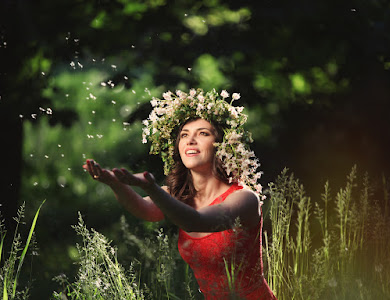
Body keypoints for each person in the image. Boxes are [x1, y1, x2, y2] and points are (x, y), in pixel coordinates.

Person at [83, 89, 277, 300]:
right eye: (184, 135)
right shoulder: (178, 195)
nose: (190, 140)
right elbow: (144, 209)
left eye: (203, 133)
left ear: (222, 145)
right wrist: (114, 184)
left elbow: (196, 221)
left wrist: (151, 188)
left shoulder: (244, 198)